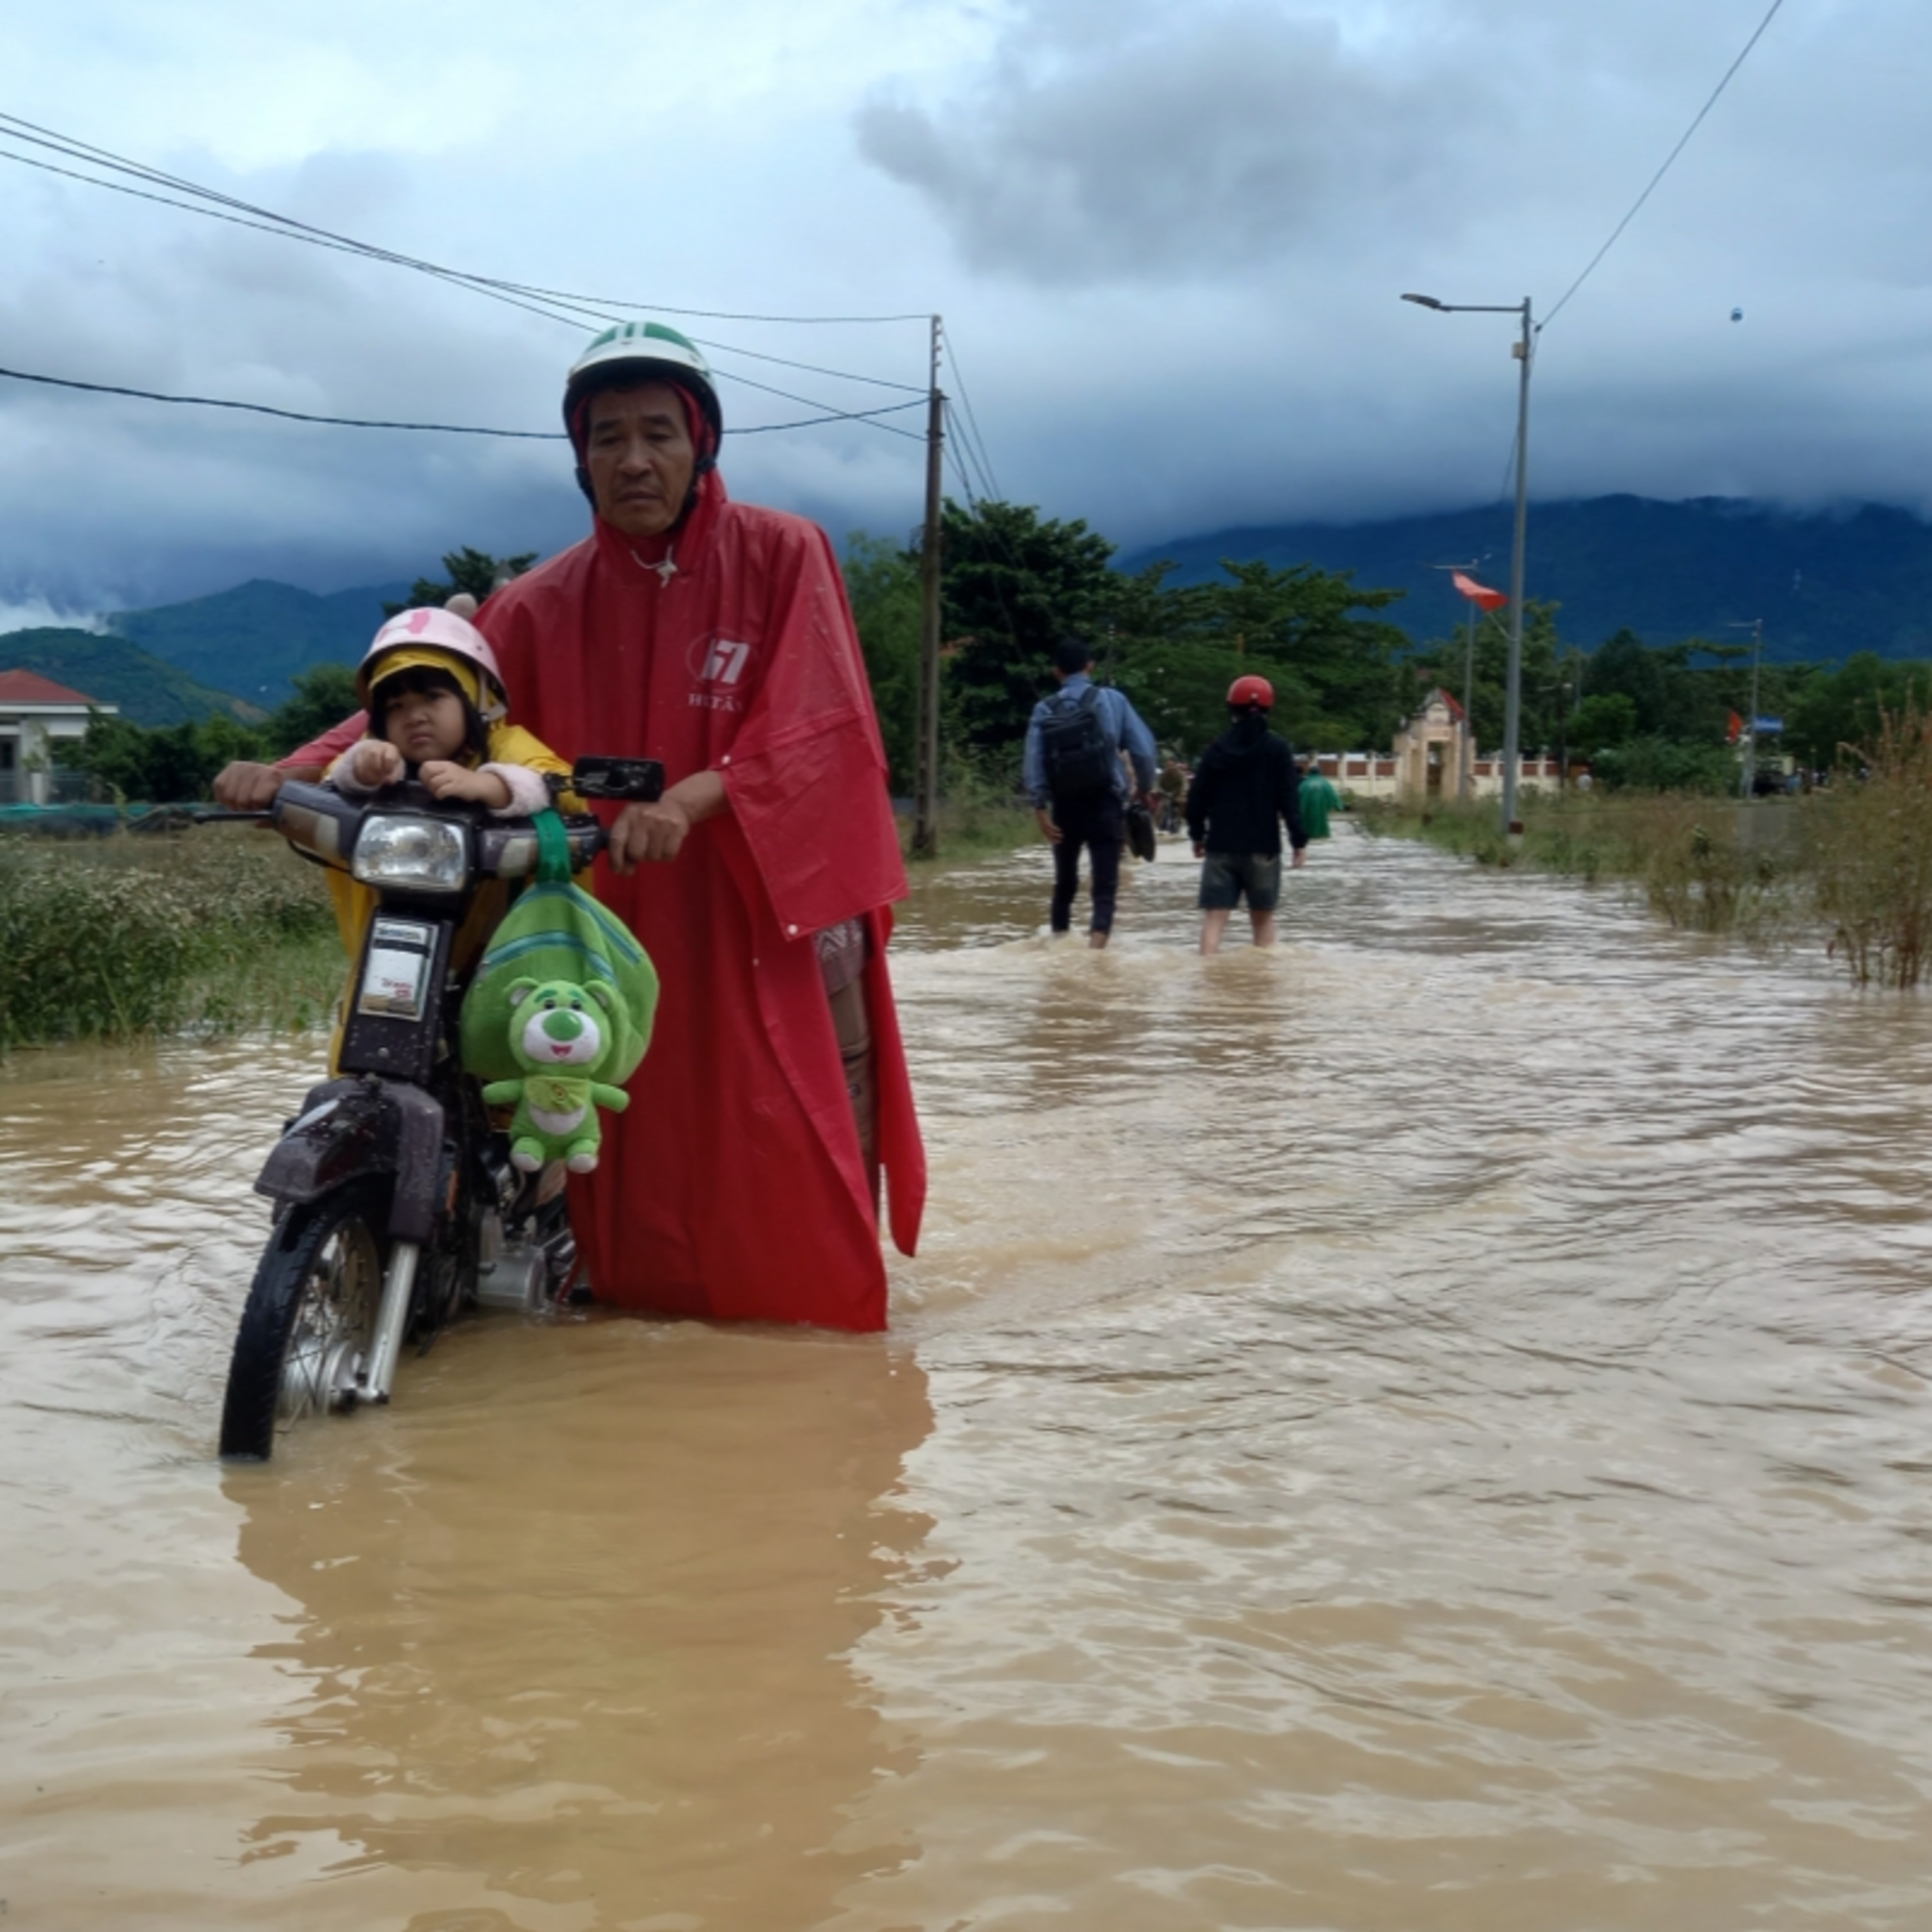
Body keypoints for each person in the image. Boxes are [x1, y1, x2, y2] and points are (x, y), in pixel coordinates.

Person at [215, 320, 924, 1332]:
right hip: (600, 892)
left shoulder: (783, 552)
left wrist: (688, 800)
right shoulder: (539, 599)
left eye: (657, 434)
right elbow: (429, 698)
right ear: (580, 459)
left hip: (755, 890)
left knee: (798, 1095)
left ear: (703, 443)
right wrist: (283, 775)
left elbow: (819, 720)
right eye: (606, 439)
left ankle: (817, 1314)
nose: (633, 460)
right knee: (591, 1084)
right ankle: (601, 1285)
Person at [1020, 636, 1158, 949]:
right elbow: (1144, 751)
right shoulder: (1113, 700)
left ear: (1056, 672)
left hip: (1065, 807)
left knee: (1065, 883)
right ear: (1090, 667)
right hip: (1106, 803)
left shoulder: (1044, 709)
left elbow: (1033, 762)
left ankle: (1059, 945)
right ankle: (1096, 952)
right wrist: (1145, 790)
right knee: (1106, 885)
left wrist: (1040, 808)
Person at [1184, 673, 1307, 956]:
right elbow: (1289, 799)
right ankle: (1262, 992)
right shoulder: (1278, 749)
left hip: (1221, 846)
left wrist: (1197, 835)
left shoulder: (1217, 749)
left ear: (1231, 708)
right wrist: (1298, 841)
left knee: (1215, 919)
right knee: (1263, 920)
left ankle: (1205, 983)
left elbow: (1197, 797)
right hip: (1263, 847)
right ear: (1269, 708)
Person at [1296, 759, 1342, 840]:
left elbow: (1297, 796)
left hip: (1307, 809)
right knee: (1322, 824)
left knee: (1306, 824)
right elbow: (1332, 795)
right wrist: (1339, 806)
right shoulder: (1325, 783)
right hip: (1321, 809)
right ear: (1320, 772)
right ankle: (1321, 834)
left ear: (1309, 772)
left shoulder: (1305, 784)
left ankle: (1308, 835)